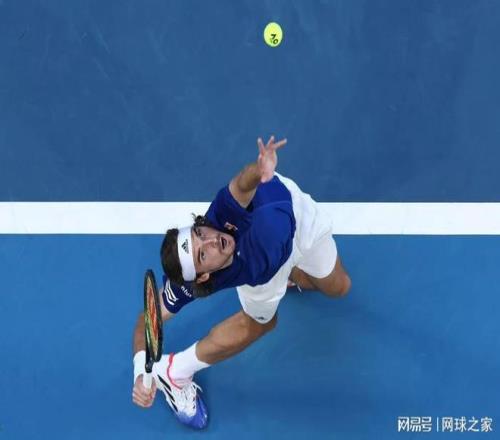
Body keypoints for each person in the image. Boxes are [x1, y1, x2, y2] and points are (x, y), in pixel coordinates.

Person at [131, 136, 351, 429]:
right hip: (263, 278)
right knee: (261, 325)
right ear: (203, 276)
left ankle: (293, 274)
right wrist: (140, 372)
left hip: (301, 224)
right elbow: (148, 318)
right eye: (202, 254)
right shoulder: (188, 284)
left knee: (339, 288)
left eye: (200, 234)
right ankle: (175, 372)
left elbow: (241, 185)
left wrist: (260, 170)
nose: (211, 240)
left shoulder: (223, 214)